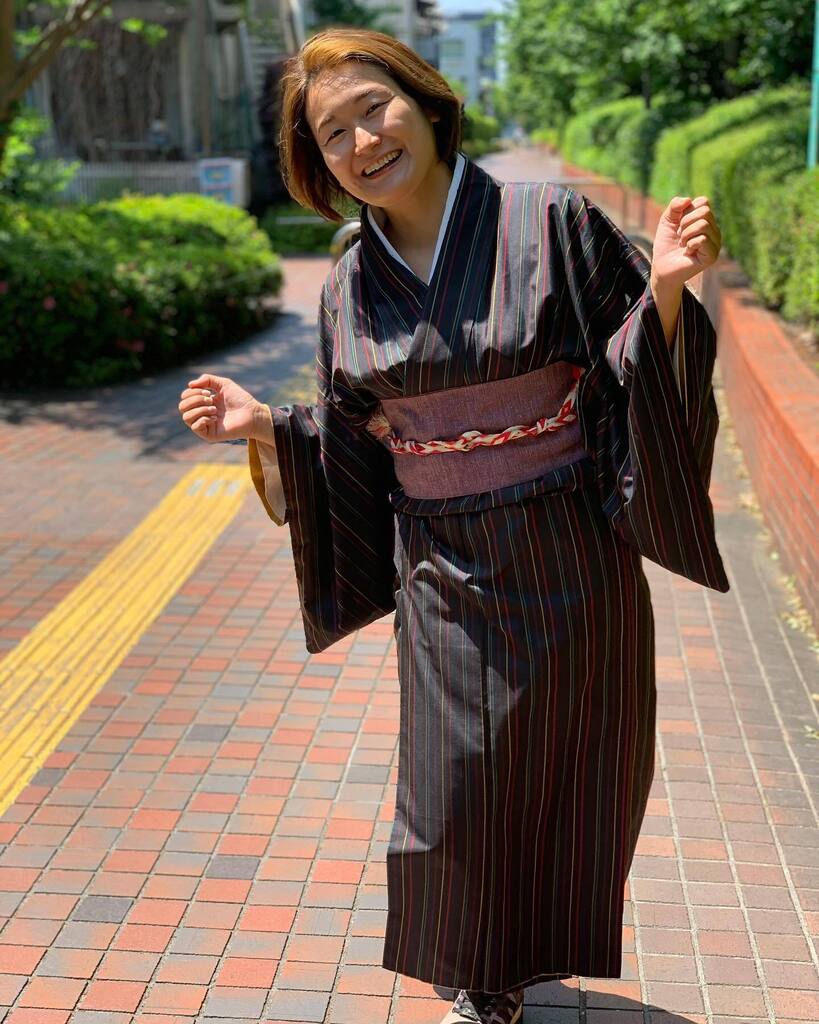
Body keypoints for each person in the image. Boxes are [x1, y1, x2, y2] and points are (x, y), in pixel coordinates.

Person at [177, 27, 729, 1024]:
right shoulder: (351, 280)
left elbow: (625, 368)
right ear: (317, 163)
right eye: (332, 132)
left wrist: (668, 289)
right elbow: (352, 433)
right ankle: (483, 978)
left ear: (428, 104)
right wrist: (262, 424)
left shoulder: (551, 220)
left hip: (569, 548)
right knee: (451, 790)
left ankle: (501, 973)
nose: (362, 141)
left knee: (562, 769)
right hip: (440, 564)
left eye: (374, 109)